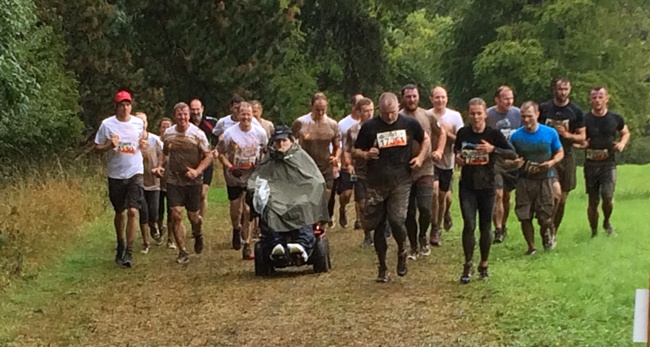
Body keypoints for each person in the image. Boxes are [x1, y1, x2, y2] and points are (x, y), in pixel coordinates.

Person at [353, 92, 430, 282]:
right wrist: (366, 155)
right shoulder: (370, 127)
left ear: (398, 107)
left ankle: (402, 250)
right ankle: (383, 267)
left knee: (397, 221)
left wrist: (420, 158)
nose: (390, 117)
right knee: (378, 225)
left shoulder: (408, 123)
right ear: (380, 111)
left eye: (393, 112)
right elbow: (355, 150)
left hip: (401, 179)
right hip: (376, 181)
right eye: (386, 113)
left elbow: (425, 139)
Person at [454, 98, 516, 284]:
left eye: (479, 113)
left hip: (488, 185)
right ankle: (467, 264)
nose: (475, 117)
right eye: (472, 113)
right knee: (469, 225)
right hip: (468, 185)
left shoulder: (493, 133)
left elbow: (512, 153)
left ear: (485, 114)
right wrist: (458, 158)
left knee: (485, 227)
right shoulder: (463, 133)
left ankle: (484, 263)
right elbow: (457, 151)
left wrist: (493, 149)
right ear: (468, 114)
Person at [247, 125, 328, 262]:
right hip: (275, 198)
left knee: (303, 206)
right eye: (278, 141)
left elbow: (316, 180)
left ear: (291, 140)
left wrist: (307, 193)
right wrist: (256, 192)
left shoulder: (301, 157)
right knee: (269, 208)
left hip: (300, 197)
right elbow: (256, 179)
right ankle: (275, 244)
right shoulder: (269, 160)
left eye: (284, 140)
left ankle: (302, 244)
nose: (281, 144)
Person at [154, 102, 213, 264]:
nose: (182, 118)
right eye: (179, 114)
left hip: (193, 180)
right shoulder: (168, 134)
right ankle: (182, 251)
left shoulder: (198, 134)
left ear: (189, 116)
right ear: (175, 116)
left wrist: (197, 171)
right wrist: (159, 166)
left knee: (193, 216)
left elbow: (208, 156)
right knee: (175, 213)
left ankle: (198, 232)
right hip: (174, 179)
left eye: (185, 114)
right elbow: (165, 153)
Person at [93, 90, 146, 268]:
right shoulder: (107, 125)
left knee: (133, 211)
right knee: (120, 212)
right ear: (116, 107)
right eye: (122, 105)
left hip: (135, 171)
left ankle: (129, 252)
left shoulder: (138, 123)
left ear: (131, 106)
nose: (125, 108)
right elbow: (96, 148)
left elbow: (143, 136)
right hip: (116, 173)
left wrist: (143, 142)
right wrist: (109, 145)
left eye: (128, 104)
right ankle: (120, 243)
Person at [509, 101, 564, 254]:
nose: (526, 120)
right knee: (524, 215)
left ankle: (547, 231)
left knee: (544, 216)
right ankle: (531, 246)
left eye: (529, 116)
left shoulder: (550, 133)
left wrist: (551, 162)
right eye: (523, 117)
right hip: (524, 180)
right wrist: (514, 162)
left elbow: (560, 152)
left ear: (537, 115)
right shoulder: (515, 136)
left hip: (545, 178)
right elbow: (507, 158)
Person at [217, 102, 268, 259]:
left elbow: (266, 151)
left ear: (253, 115)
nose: (246, 117)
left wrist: (261, 165)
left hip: (251, 174)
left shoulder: (260, 132)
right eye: (243, 114)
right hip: (234, 174)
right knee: (236, 208)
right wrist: (230, 167)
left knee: (248, 209)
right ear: (238, 115)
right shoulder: (229, 133)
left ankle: (247, 244)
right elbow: (220, 153)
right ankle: (236, 229)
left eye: (249, 114)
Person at [400, 85, 446, 259]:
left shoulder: (427, 116)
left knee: (425, 207)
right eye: (408, 97)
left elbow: (442, 133)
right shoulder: (397, 117)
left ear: (419, 97)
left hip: (426, 168)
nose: (411, 99)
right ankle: (413, 244)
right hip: (404, 170)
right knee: (409, 211)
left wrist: (439, 150)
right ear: (403, 98)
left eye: (414, 96)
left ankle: (423, 236)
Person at [578, 87, 630, 237]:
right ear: (590, 100)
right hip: (591, 164)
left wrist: (622, 143)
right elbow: (579, 138)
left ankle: (606, 222)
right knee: (593, 201)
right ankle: (593, 231)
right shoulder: (584, 119)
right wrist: (581, 144)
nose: (597, 100)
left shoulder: (615, 118)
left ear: (607, 98)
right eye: (594, 97)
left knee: (607, 196)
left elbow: (625, 132)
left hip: (608, 164)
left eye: (600, 97)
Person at [539, 78, 585, 234]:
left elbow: (582, 137)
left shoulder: (576, 111)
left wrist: (566, 134)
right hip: (548, 155)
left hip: (567, 156)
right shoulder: (544, 108)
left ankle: (553, 230)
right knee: (555, 193)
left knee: (563, 198)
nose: (563, 92)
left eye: (566, 89)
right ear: (554, 89)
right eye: (560, 89)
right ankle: (546, 224)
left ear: (570, 89)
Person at [291, 93, 341, 221]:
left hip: (325, 164)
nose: (320, 112)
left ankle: (320, 224)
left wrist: (336, 157)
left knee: (326, 195)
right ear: (311, 106)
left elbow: (338, 146)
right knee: (308, 196)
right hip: (306, 165)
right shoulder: (301, 123)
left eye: (323, 109)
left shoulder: (332, 124)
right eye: (317, 109)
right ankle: (308, 221)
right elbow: (290, 144)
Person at [487, 86, 521, 243]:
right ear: (497, 99)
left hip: (513, 158)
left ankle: (504, 224)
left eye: (511, 98)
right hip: (495, 160)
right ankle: (498, 229)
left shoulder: (518, 114)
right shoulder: (488, 115)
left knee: (507, 196)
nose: (509, 101)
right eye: (505, 98)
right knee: (498, 194)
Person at [429, 86, 464, 236]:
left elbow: (461, 140)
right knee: (434, 192)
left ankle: (446, 213)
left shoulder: (455, 116)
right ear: (431, 99)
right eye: (437, 97)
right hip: (431, 162)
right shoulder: (427, 115)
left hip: (447, 162)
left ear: (447, 98)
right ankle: (435, 228)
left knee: (446, 198)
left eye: (443, 97)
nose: (440, 100)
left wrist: (447, 133)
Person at [344, 98, 375, 245]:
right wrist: (349, 164)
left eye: (371, 110)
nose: (369, 114)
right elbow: (348, 150)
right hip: (361, 171)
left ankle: (381, 228)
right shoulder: (353, 131)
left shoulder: (380, 127)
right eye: (366, 111)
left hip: (378, 171)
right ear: (359, 112)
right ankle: (367, 233)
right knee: (362, 204)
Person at [134, 112, 163, 253]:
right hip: (138, 182)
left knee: (154, 213)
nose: (141, 124)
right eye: (138, 121)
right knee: (143, 213)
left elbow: (164, 153)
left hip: (154, 182)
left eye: (143, 121)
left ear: (147, 123)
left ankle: (154, 227)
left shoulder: (155, 139)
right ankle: (146, 243)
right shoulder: (132, 140)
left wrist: (159, 167)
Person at [336, 94, 364, 229]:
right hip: (347, 165)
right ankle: (342, 208)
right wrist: (341, 162)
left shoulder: (369, 123)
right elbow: (339, 145)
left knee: (360, 195)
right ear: (353, 106)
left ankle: (359, 220)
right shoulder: (343, 124)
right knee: (347, 194)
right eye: (359, 104)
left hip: (362, 165)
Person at [189, 99, 219, 222]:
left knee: (202, 193)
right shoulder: (186, 122)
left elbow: (220, 139)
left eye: (197, 109)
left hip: (206, 162)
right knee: (193, 195)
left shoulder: (211, 122)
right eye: (193, 109)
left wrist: (216, 150)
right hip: (190, 163)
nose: (195, 112)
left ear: (202, 109)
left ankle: (200, 219)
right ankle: (194, 218)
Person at [155, 117, 176, 249]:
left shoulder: (174, 143)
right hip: (157, 183)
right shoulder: (155, 142)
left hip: (171, 182)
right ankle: (159, 232)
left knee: (172, 212)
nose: (165, 129)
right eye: (163, 127)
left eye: (168, 126)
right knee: (158, 211)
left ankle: (170, 239)